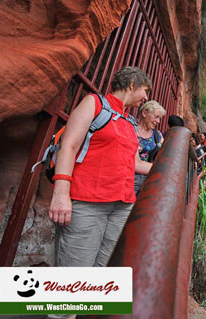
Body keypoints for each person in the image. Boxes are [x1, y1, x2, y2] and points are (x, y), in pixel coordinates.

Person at [49, 66, 153, 266]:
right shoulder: (94, 103)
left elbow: (135, 163)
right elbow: (69, 145)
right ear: (132, 85)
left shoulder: (130, 122)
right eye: (145, 90)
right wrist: (61, 194)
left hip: (121, 206)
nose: (146, 97)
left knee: (105, 271)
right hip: (87, 203)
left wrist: (167, 171)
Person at [134, 100, 166, 194]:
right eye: (156, 117)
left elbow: (164, 156)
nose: (158, 121)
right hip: (128, 178)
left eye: (159, 118)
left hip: (148, 180)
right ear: (144, 113)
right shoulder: (131, 129)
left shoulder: (158, 136)